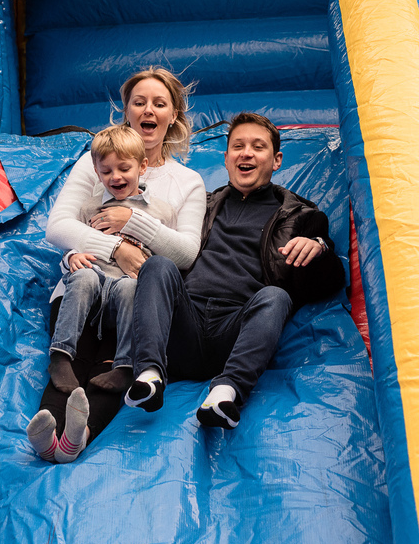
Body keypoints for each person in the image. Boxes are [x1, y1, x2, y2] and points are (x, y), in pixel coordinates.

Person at [28, 68, 206, 462]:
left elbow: (186, 253)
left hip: (135, 294)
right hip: (87, 282)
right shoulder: (96, 161)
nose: (148, 110)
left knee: (115, 359)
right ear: (126, 111)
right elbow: (58, 226)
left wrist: (132, 222)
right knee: (73, 353)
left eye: (159, 104)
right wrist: (115, 250)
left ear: (172, 115)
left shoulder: (187, 181)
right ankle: (49, 434)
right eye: (138, 102)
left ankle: (78, 436)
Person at [124, 112, 344, 429]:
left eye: (258, 146)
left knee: (276, 296)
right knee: (158, 265)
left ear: (277, 159)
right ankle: (149, 375)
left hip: (238, 331)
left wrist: (320, 248)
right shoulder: (199, 204)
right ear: (226, 159)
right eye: (238, 146)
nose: (247, 153)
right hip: (183, 323)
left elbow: (329, 283)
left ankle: (226, 393)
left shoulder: (301, 215)